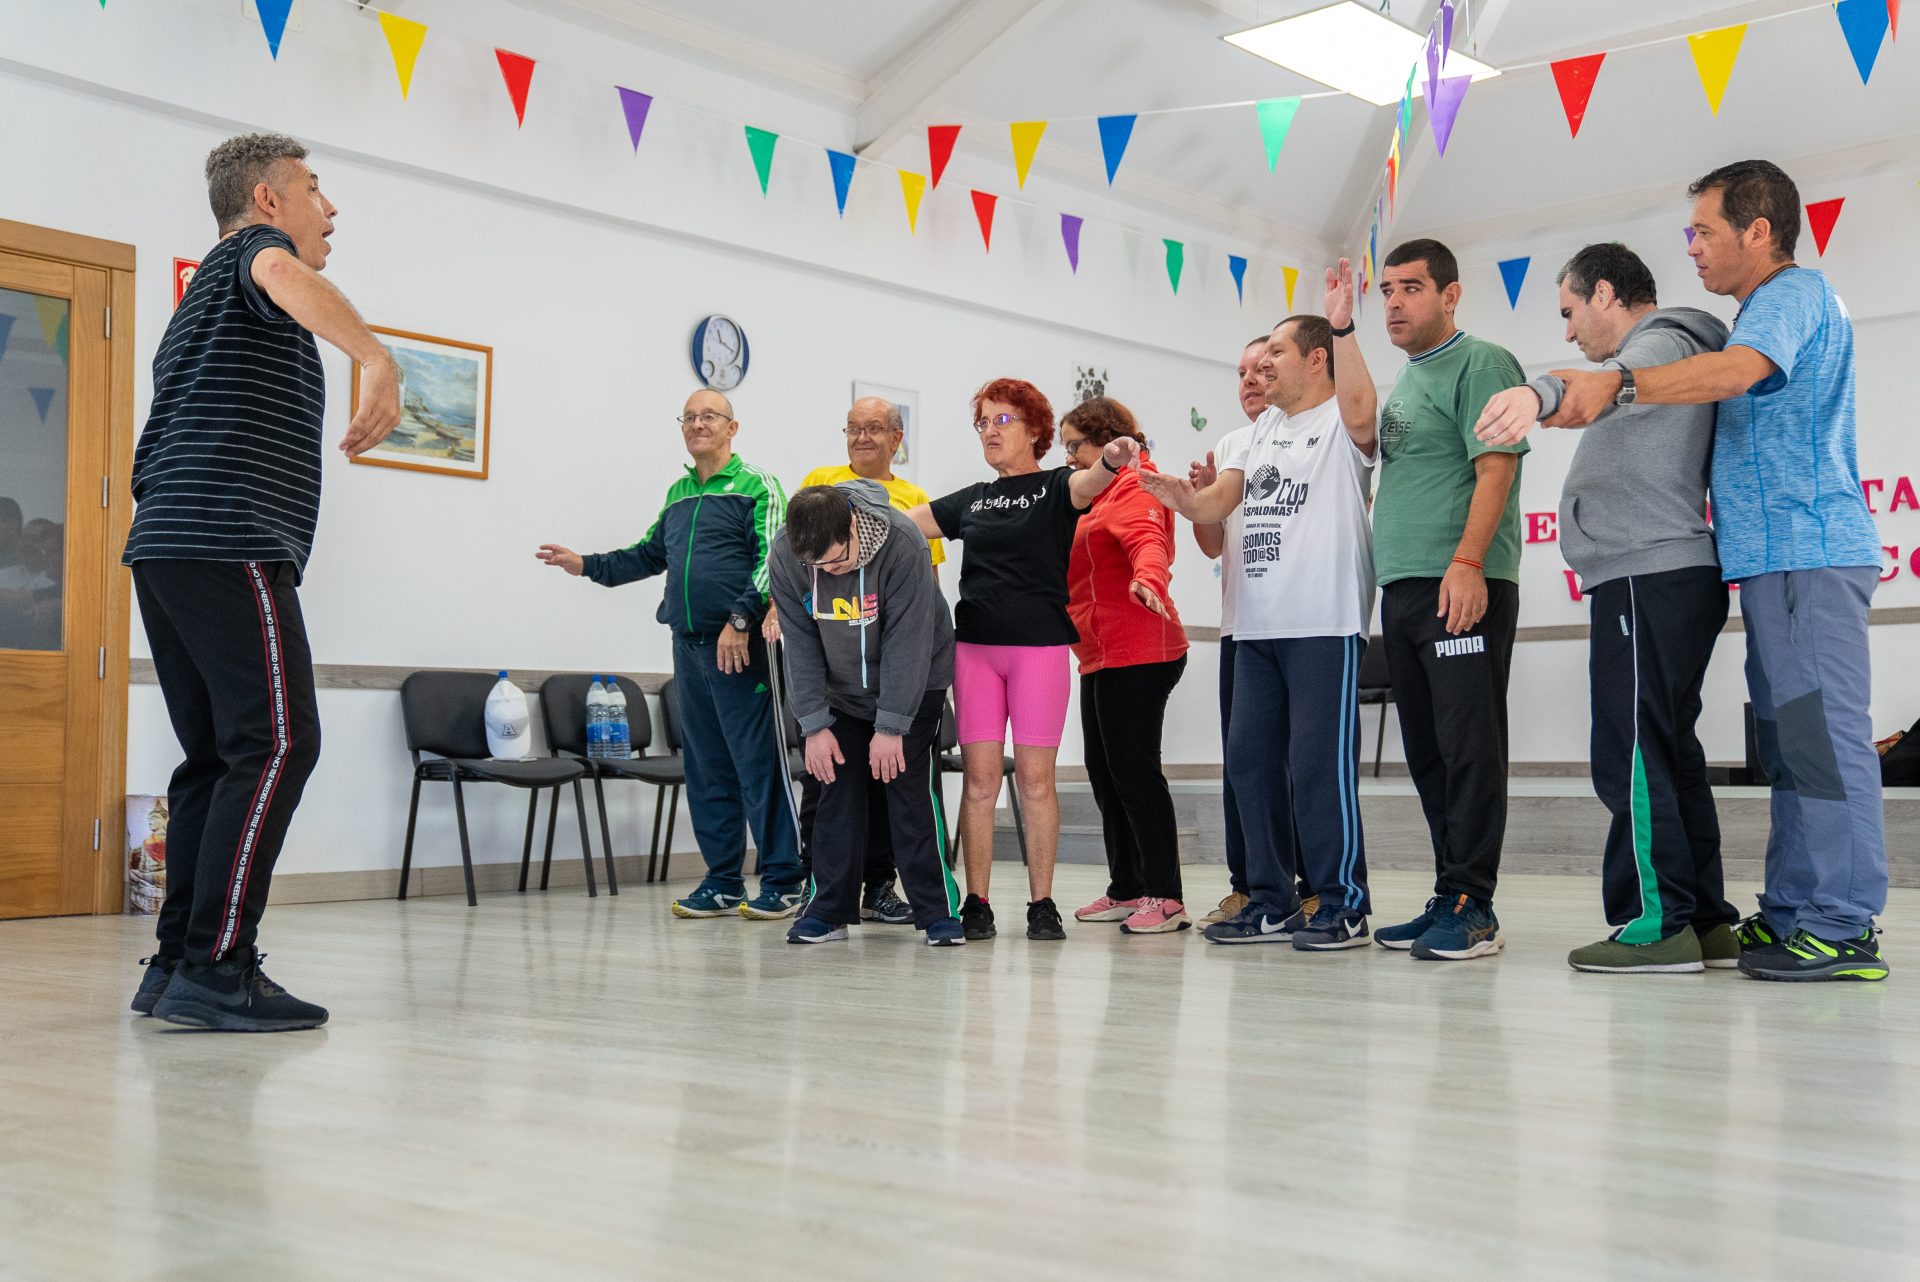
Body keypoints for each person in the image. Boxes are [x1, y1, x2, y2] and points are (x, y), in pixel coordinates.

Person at [1539, 160, 1889, 982]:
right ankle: (1797, 912)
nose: (1690, 248)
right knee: (1790, 747)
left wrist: (1620, 380)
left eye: (1704, 231)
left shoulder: (1793, 295)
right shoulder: (1758, 309)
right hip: (1771, 562)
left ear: (1759, 231)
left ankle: (1843, 924)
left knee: (1823, 743)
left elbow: (1739, 373)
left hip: (1810, 550)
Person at [123, 132, 402, 1031]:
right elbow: (287, 275)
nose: (333, 209)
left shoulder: (200, 300)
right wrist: (377, 357)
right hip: (225, 537)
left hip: (166, 545)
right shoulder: (255, 254)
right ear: (269, 200)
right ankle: (216, 967)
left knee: (218, 756)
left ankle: (174, 964)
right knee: (281, 741)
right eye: (316, 189)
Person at [1475, 242, 1740, 974]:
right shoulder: (1679, 351)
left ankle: (1654, 923)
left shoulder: (1655, 347)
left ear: (1603, 292)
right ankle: (1707, 920)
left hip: (1644, 573)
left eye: (1568, 311)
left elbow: (1589, 383)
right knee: (1666, 750)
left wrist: (1536, 393)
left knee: (1629, 752)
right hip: (1657, 575)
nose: (1568, 331)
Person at [1142, 262, 1378, 952]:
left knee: (1315, 767)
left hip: (1323, 625)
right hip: (1255, 629)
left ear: (1315, 358)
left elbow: (1365, 416)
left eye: (1275, 351)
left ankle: (1343, 901)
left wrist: (1343, 321)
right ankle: (1273, 900)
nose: (1262, 363)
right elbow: (1221, 501)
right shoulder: (1253, 434)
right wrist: (1182, 498)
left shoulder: (1341, 418)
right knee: (1247, 760)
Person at [537, 390, 804, 921]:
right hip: (688, 646)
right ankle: (724, 881)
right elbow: (647, 554)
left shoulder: (758, 485)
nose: (698, 424)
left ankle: (785, 879)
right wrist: (585, 564)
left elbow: (776, 558)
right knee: (706, 767)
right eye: (689, 417)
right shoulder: (680, 492)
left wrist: (740, 620)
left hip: (742, 645)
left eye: (709, 416)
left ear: (733, 428)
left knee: (758, 763)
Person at [905, 378, 1141, 941]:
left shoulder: (1058, 486)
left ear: (1035, 430)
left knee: (1036, 782)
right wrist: (848, 515)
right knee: (981, 782)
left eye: (1001, 420)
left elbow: (1092, 482)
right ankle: (978, 903)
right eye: (982, 421)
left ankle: (1041, 904)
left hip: (1038, 651)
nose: (989, 429)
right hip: (976, 652)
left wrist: (1111, 460)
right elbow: (905, 525)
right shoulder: (974, 499)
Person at [1369, 238, 1528, 962]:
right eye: (1388, 291)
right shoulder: (1406, 379)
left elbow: (1495, 470)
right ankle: (1449, 891)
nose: (1396, 302)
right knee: (1429, 751)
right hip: (1403, 587)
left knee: (1469, 745)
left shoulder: (1482, 362)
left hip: (1461, 583)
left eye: (1411, 288)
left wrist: (1466, 562)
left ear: (1450, 294)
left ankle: (1476, 903)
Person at [768, 397, 944, 926]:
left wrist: (891, 725)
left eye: (839, 559)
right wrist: (815, 725)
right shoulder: (786, 553)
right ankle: (828, 912)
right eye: (818, 565)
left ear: (852, 525)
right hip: (840, 686)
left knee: (907, 795)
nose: (830, 572)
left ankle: (938, 915)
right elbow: (799, 644)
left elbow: (910, 643)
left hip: (915, 677)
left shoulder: (903, 542)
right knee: (835, 793)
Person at [1057, 398, 1190, 934]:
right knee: (1105, 773)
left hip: (1140, 646)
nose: (1068, 456)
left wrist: (1150, 581)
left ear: (1107, 441)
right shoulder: (1089, 498)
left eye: (1075, 445)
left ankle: (1166, 896)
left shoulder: (1136, 485)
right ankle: (1127, 887)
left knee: (1134, 773)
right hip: (1098, 651)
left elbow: (1148, 542)